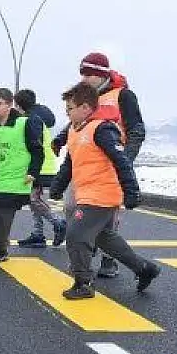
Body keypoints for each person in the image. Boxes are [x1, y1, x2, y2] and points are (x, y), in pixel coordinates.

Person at [49, 82, 160, 299]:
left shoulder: (102, 129)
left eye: (70, 108)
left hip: (102, 195)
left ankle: (83, 283)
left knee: (76, 234)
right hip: (87, 193)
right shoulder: (74, 130)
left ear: (86, 108)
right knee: (105, 239)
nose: (67, 113)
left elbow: (121, 160)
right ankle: (145, 269)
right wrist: (57, 186)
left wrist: (131, 192)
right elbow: (69, 164)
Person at [51, 52, 147, 278]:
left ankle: (107, 260)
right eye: (82, 74)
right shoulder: (86, 97)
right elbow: (76, 122)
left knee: (106, 219)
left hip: (111, 163)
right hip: (86, 162)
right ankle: (86, 255)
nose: (84, 78)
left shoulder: (123, 95)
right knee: (73, 208)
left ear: (101, 74)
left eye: (89, 74)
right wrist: (60, 139)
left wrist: (126, 161)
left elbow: (136, 130)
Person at [0, 88, 46, 263]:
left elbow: (37, 150)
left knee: (3, 216)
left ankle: (0, 250)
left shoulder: (24, 123)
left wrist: (33, 172)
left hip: (18, 179)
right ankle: (1, 241)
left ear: (9, 105)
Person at [13, 88, 67, 248]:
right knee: (33, 200)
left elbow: (33, 145)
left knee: (33, 199)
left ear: (19, 104)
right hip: (44, 165)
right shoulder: (37, 117)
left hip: (40, 166)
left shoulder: (32, 119)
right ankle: (38, 234)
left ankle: (58, 223)